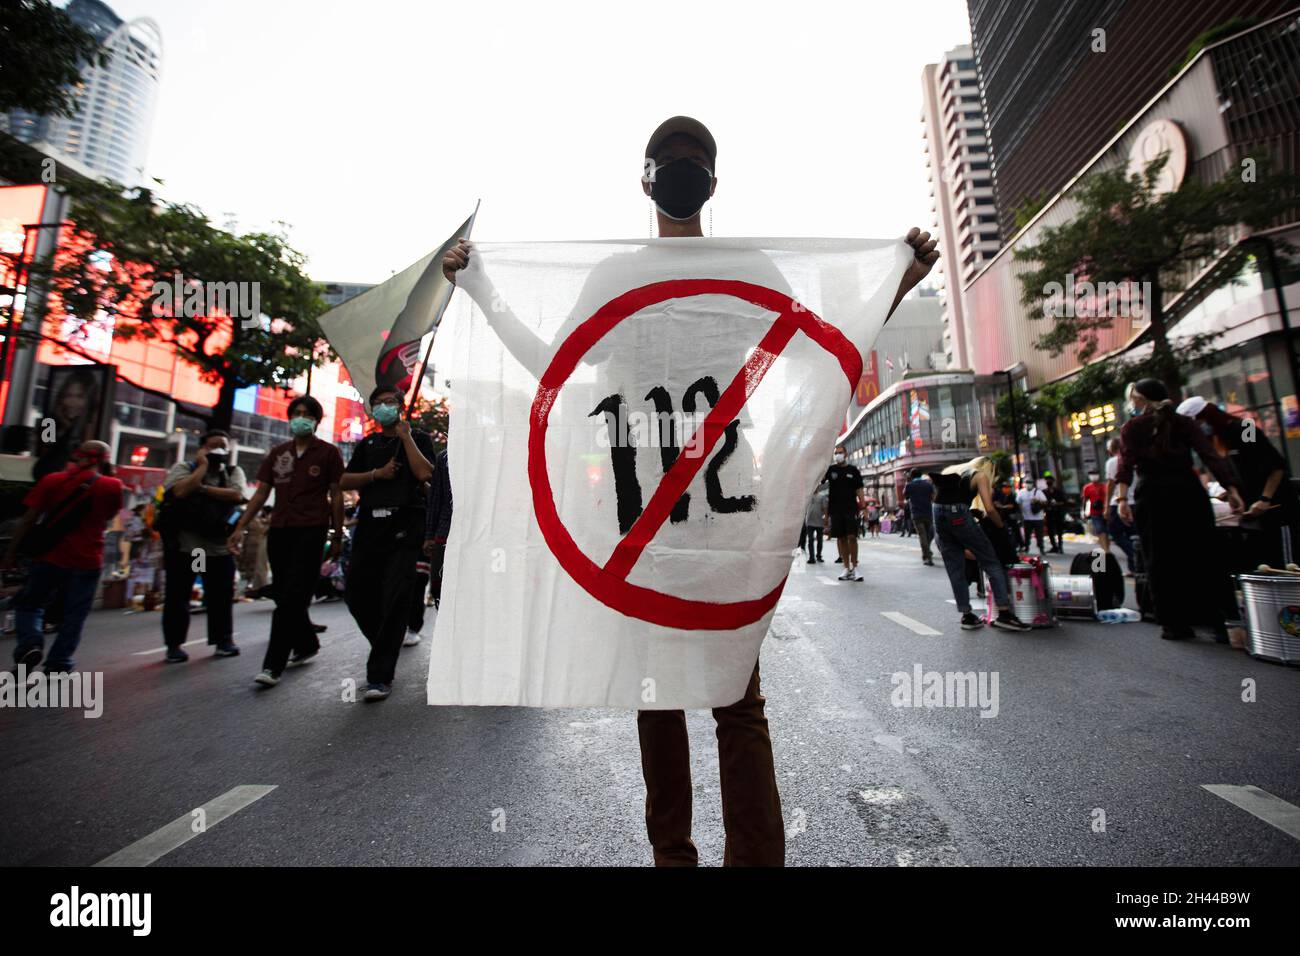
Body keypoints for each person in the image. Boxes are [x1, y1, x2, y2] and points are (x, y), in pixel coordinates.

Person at [442, 114, 939, 867]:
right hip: (636, 512)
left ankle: (751, 860)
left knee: (737, 698)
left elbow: (826, 350)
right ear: (644, 178)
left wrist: (894, 285)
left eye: (694, 158)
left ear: (713, 180)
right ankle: (672, 855)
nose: (680, 168)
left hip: (722, 511)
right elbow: (558, 364)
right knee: (658, 696)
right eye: (667, 158)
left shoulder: (748, 272)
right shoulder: (616, 278)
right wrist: (480, 286)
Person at [228, 396, 345, 687]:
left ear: (317, 420)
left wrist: (338, 533)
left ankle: (272, 665)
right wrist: (240, 526)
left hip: (312, 530)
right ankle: (306, 643)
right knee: (284, 594)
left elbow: (337, 495)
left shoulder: (329, 453)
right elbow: (259, 494)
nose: (301, 418)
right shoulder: (278, 453)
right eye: (296, 413)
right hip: (279, 530)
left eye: (307, 414)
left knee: (291, 598)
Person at [1115, 380, 1243, 641]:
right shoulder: (1185, 423)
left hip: (1152, 495)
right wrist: (1231, 488)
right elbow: (1209, 455)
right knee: (1204, 554)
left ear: (1141, 401)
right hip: (1187, 491)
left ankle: (1174, 623)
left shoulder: (1132, 428)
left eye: (1134, 399)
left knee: (1160, 559)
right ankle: (1219, 621)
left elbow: (1125, 464)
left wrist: (1122, 499)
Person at [338, 386, 435, 701]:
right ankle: (384, 643)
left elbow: (425, 473)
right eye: (377, 403)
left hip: (405, 525)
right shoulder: (368, 444)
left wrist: (406, 437)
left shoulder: (417, 438)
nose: (383, 407)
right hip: (369, 525)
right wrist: (377, 474)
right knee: (356, 594)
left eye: (390, 402)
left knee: (395, 597)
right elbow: (343, 480)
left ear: (401, 407)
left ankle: (379, 676)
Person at [2, 441, 123, 673]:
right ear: (106, 459)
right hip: (87, 560)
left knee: (30, 604)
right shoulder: (112, 485)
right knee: (74, 614)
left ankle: (30, 644)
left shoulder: (52, 480)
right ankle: (58, 663)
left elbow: (29, 519)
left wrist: (11, 552)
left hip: (49, 556)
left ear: (76, 456)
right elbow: (109, 516)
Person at [1177, 395, 1297, 570]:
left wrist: (1265, 498)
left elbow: (1275, 466)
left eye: (1197, 424)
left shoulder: (1245, 428)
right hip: (1252, 516)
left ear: (1206, 416)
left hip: (1277, 509)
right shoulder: (1215, 441)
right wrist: (1231, 494)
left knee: (1287, 566)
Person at [160, 430, 248, 662]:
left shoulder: (232, 472)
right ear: (202, 449)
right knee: (179, 595)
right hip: (188, 547)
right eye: (213, 446)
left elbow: (237, 495)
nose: (220, 450)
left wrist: (202, 489)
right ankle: (174, 645)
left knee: (220, 595)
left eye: (223, 446)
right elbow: (179, 491)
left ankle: (223, 641)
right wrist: (200, 468)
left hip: (218, 547)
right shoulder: (184, 468)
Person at [929, 457, 1030, 632]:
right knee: (991, 562)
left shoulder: (957, 473)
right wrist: (1000, 526)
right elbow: (989, 508)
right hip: (958, 514)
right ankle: (1004, 614)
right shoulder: (980, 475)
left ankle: (967, 615)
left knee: (955, 568)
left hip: (938, 513)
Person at [825, 445, 865, 581]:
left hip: (851, 508)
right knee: (841, 538)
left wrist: (864, 507)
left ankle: (855, 567)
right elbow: (818, 480)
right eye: (836, 453)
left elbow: (859, 489)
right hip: (835, 509)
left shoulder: (853, 470)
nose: (838, 455)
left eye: (840, 453)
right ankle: (846, 568)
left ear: (846, 454)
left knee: (852, 537)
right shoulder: (830, 470)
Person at [423, 448, 453, 609]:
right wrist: (429, 535)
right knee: (440, 588)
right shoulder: (444, 457)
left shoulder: (487, 453)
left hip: (476, 535)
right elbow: (436, 499)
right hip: (445, 533)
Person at [1103, 436, 1136, 573]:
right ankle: (1134, 567)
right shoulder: (1133, 459)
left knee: (1115, 533)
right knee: (1132, 535)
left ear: (1111, 449)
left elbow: (1110, 484)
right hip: (1134, 502)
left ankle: (1135, 556)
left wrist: (1106, 506)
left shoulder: (1112, 462)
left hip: (1119, 503)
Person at [904, 468, 935, 565]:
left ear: (912, 476)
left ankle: (927, 557)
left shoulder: (909, 485)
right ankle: (927, 551)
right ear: (921, 475)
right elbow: (934, 497)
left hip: (917, 515)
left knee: (923, 536)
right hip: (928, 513)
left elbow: (905, 496)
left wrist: (908, 482)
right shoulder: (928, 485)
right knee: (929, 534)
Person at [1080, 469, 1110, 553]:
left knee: (1106, 531)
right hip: (1094, 513)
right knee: (1100, 530)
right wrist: (1084, 512)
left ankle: (1107, 548)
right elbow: (1085, 500)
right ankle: (1105, 550)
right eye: (1091, 474)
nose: (1093, 476)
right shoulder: (1087, 488)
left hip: (1105, 511)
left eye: (1095, 474)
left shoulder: (1104, 486)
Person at [1015, 477, 1047, 554]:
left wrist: (1037, 500)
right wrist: (1021, 513)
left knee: (1039, 535)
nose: (1028, 484)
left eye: (1030, 482)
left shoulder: (1038, 492)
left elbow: (1045, 502)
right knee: (1027, 534)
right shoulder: (1021, 492)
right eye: (1027, 482)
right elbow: (1018, 503)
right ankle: (1026, 547)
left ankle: (1041, 548)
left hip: (1038, 518)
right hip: (1026, 518)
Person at [802, 482, 827, 564]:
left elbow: (825, 508)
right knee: (810, 540)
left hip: (819, 521)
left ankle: (819, 556)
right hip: (809, 521)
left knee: (820, 540)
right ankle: (811, 557)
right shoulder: (807, 497)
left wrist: (826, 518)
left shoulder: (822, 497)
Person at [1042, 473, 1066, 553]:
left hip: (1058, 513)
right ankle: (1054, 546)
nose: (1048, 481)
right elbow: (1042, 503)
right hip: (1049, 513)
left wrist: (1057, 504)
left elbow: (1064, 501)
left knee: (1059, 530)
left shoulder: (1058, 491)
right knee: (1050, 531)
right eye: (1047, 480)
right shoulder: (1044, 492)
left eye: (1050, 480)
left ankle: (1060, 546)